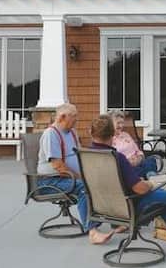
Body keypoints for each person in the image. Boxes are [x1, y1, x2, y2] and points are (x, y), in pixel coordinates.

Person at [89, 114, 166, 252]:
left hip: (105, 208)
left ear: (91, 133)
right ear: (112, 134)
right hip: (130, 205)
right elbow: (140, 189)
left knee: (164, 202)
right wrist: (149, 184)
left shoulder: (88, 156)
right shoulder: (117, 158)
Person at [35, 103, 114, 245]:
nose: (77, 119)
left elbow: (80, 155)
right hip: (50, 181)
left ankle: (114, 220)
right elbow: (58, 166)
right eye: (74, 116)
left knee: (103, 180)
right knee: (84, 187)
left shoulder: (72, 132)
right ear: (62, 117)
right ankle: (92, 232)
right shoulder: (51, 134)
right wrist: (82, 177)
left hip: (68, 178)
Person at [110, 110, 160, 178]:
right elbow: (113, 159)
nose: (121, 125)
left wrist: (140, 157)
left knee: (151, 160)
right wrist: (128, 162)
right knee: (137, 170)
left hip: (138, 162)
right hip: (126, 167)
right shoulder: (109, 139)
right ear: (110, 124)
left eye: (122, 123)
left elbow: (137, 150)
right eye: (118, 123)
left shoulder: (125, 135)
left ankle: (150, 176)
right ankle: (150, 177)